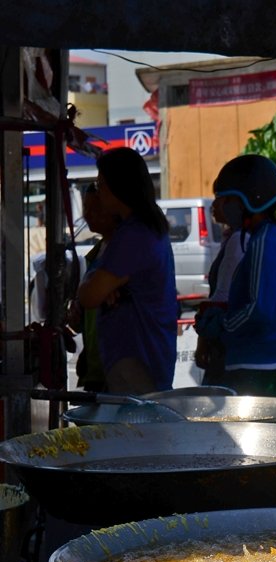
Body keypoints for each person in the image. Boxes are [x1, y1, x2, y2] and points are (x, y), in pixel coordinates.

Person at [194, 154, 276, 397]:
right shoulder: (266, 236)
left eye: (224, 199)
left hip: (257, 370)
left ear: (246, 201)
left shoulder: (265, 239)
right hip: (260, 366)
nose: (218, 205)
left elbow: (258, 311)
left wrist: (220, 324)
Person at [77, 147, 178, 394]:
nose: (98, 194)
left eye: (101, 185)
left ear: (118, 187)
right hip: (143, 355)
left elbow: (89, 296)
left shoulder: (134, 235)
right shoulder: (144, 229)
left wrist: (96, 282)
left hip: (135, 360)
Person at [67, 183, 118, 391]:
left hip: (116, 368)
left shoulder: (122, 254)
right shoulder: (94, 256)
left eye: (95, 208)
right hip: (95, 368)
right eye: (85, 208)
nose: (88, 215)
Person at [194, 191, 248, 385]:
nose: (214, 205)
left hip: (228, 344)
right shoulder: (235, 237)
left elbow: (221, 297)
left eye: (220, 198)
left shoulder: (238, 240)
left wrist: (203, 340)